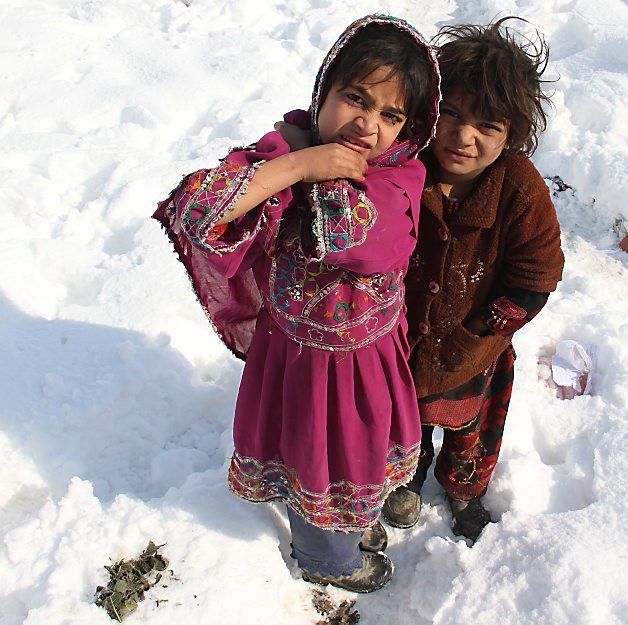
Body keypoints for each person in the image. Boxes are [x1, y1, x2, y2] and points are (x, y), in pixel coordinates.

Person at [153, 15, 440, 592]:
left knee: (360, 453)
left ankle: (350, 526)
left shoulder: (399, 175)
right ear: (323, 93)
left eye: (390, 115)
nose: (366, 124)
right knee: (319, 462)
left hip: (368, 360)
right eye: (354, 98)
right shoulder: (290, 151)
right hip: (304, 365)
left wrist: (303, 179)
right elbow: (199, 209)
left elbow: (362, 242)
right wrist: (297, 167)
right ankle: (326, 558)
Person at [381, 17, 565, 542]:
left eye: (488, 125)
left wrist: (485, 329)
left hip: (473, 349)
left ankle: (463, 490)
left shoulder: (519, 187)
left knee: (471, 431)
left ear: (512, 134)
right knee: (403, 422)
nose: (463, 137)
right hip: (398, 342)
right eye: (451, 114)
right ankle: (406, 478)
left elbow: (538, 271)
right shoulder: (402, 166)